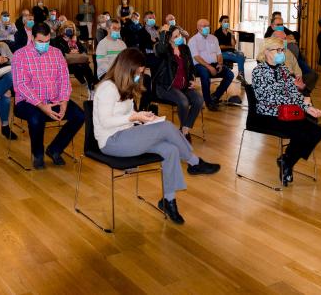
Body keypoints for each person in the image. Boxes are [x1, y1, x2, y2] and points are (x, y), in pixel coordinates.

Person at [93, 48, 220, 225]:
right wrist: (135, 117)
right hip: (111, 141)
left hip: (127, 135)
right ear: (126, 69)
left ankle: (168, 200)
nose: (140, 75)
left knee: (171, 149)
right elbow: (106, 122)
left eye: (141, 72)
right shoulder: (108, 87)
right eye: (138, 72)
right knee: (167, 127)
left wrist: (142, 118)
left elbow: (128, 117)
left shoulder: (125, 86)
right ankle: (194, 162)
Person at [251, 37, 321, 186]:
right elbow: (267, 98)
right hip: (267, 115)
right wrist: (299, 104)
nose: (281, 53)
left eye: (282, 50)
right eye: (277, 50)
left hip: (287, 112)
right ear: (266, 52)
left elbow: (293, 93)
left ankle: (286, 161)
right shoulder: (258, 71)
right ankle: (287, 163)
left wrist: (307, 108)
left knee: (317, 131)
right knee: (301, 133)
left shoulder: (284, 69)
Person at [12, 22, 85, 169]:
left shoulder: (56, 53)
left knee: (79, 115)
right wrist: (41, 105)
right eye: (40, 41)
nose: (44, 45)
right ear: (32, 38)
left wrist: (64, 101)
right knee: (36, 117)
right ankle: (37, 154)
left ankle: (55, 149)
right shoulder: (20, 55)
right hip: (28, 102)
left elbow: (64, 79)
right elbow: (21, 85)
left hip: (54, 99)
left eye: (47, 41)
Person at [154, 25, 204, 142]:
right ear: (169, 38)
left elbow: (191, 67)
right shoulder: (162, 49)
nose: (179, 37)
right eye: (175, 36)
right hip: (166, 86)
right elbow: (160, 48)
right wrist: (163, 34)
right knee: (183, 101)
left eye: (179, 35)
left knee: (199, 100)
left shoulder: (184, 48)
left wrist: (193, 78)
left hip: (183, 86)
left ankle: (184, 129)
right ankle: (184, 133)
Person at [188, 19, 234, 111]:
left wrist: (220, 64)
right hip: (199, 66)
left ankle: (216, 96)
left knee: (230, 74)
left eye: (208, 26)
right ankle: (208, 102)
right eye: (203, 26)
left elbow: (219, 54)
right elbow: (196, 57)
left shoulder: (214, 38)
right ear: (198, 28)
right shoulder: (193, 40)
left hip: (214, 64)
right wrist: (208, 67)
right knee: (205, 74)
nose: (206, 28)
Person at [50, 20, 98, 94]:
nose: (70, 29)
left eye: (72, 27)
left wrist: (76, 47)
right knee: (78, 67)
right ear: (63, 29)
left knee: (86, 68)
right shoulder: (56, 40)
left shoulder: (75, 39)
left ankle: (91, 88)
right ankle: (85, 83)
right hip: (65, 64)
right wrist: (69, 51)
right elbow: (58, 52)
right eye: (68, 27)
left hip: (77, 61)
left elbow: (84, 50)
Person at [214, 15, 246, 82]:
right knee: (239, 57)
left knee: (241, 54)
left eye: (228, 21)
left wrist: (232, 35)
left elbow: (233, 44)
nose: (226, 23)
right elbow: (220, 46)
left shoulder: (230, 32)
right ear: (220, 23)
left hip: (232, 51)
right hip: (221, 52)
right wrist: (230, 47)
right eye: (225, 21)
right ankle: (241, 76)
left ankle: (240, 75)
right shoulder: (217, 33)